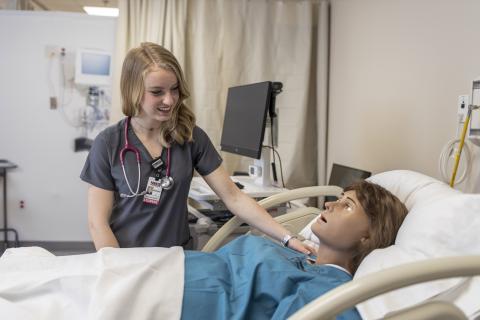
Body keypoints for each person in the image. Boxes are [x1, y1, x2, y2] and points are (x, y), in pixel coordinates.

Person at [80, 42, 309, 254]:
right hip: (125, 256)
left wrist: (288, 237)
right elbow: (97, 223)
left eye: (174, 89)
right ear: (133, 90)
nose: (169, 100)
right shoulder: (109, 143)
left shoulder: (190, 136)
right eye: (157, 92)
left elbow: (234, 198)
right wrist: (118, 269)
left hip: (177, 257)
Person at [180, 180, 408, 319]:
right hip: (175, 266)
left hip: (176, 297)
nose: (329, 204)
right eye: (339, 198)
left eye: (347, 205)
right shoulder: (304, 256)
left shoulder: (332, 290)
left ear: (368, 236)